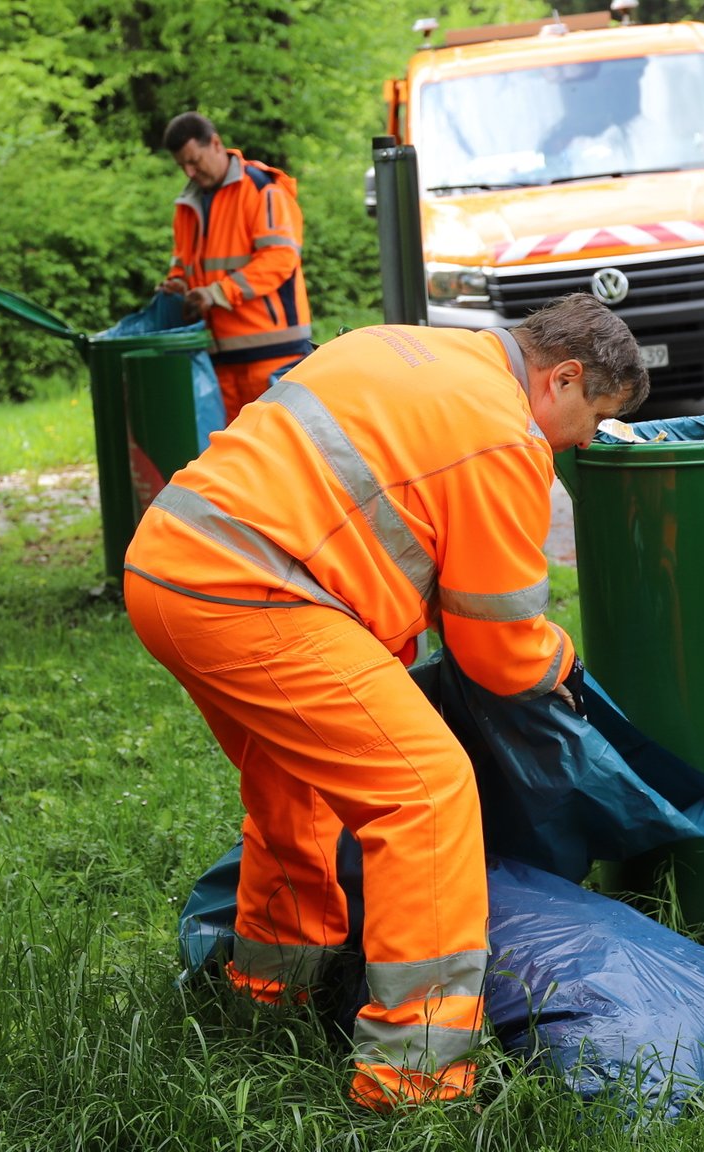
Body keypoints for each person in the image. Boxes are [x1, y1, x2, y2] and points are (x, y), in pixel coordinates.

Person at [122, 295, 648, 1110]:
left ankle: (268, 997)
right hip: (254, 594)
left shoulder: (400, 346)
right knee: (425, 793)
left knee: (295, 785)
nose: (581, 443)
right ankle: (415, 1077)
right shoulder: (505, 433)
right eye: (592, 419)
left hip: (169, 569)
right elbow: (498, 647)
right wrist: (562, 664)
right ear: (563, 377)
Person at [159, 112, 313, 423]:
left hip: (273, 354)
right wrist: (176, 285)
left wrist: (217, 293)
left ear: (215, 143)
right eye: (182, 166)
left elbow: (279, 258)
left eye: (194, 160)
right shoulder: (186, 207)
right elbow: (182, 266)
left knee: (277, 455)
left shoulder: (262, 189)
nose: (189, 171)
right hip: (218, 359)